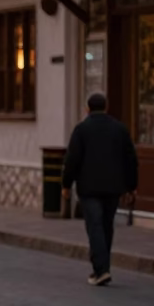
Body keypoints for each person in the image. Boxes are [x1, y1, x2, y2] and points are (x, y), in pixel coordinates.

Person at [62, 93, 138, 286]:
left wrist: (66, 184)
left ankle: (101, 270)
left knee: (94, 225)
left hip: (89, 187)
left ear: (87, 108)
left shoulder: (81, 130)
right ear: (106, 107)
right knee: (106, 226)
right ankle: (103, 267)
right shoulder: (119, 129)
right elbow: (130, 159)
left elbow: (72, 160)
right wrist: (131, 186)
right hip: (113, 187)